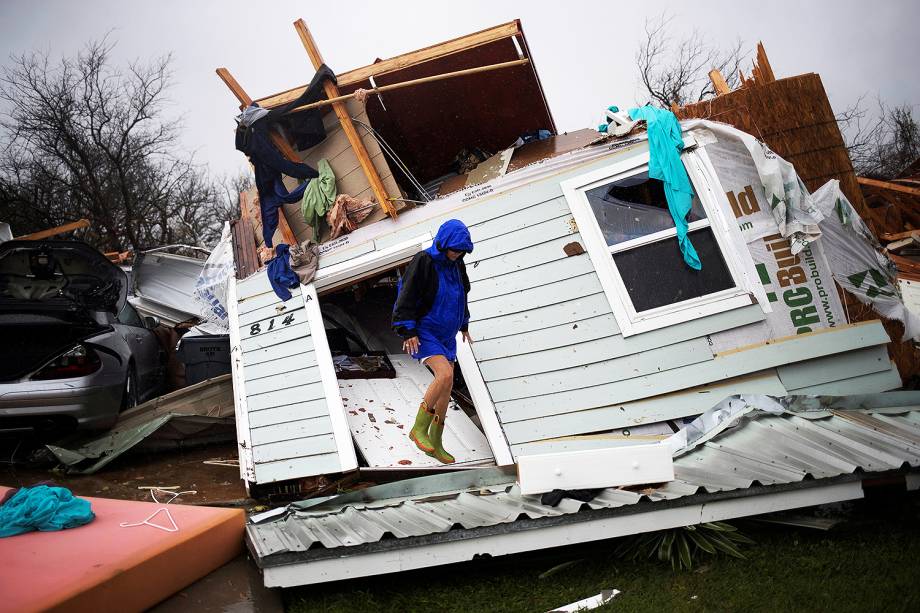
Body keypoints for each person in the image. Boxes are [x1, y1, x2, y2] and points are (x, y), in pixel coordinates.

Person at [392, 219, 474, 464]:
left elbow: (461, 296)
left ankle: (437, 442)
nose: (456, 254)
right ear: (443, 243)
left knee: (446, 389)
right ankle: (418, 429)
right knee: (445, 375)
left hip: (446, 335)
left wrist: (464, 324)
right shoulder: (424, 260)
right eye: (454, 249)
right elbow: (406, 293)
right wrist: (407, 329)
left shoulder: (457, 264)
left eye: (461, 251)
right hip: (425, 329)